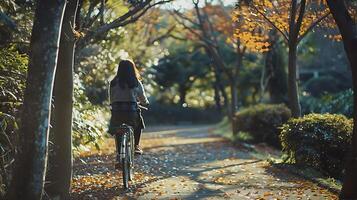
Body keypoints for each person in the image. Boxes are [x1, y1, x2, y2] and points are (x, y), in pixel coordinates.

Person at [108, 60, 149, 167]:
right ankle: (136, 146)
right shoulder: (135, 82)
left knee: (118, 131)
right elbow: (143, 99)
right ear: (132, 69)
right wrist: (144, 102)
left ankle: (118, 154)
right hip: (131, 112)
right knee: (138, 124)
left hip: (117, 113)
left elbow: (111, 99)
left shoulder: (113, 82)